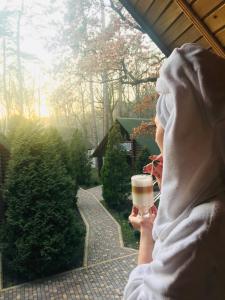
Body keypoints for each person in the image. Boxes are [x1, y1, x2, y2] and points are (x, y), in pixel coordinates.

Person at [124, 43, 225, 300]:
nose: (161, 162)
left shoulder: (203, 227)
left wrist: (146, 236)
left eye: (165, 145)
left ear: (186, 144)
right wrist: (150, 227)